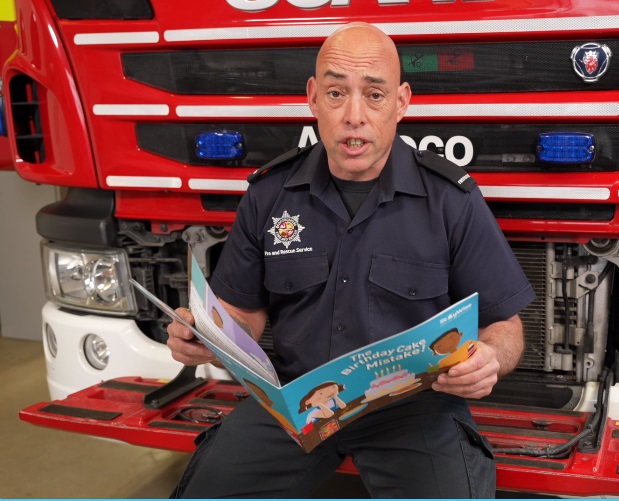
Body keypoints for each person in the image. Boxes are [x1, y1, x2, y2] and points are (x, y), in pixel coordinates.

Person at [166, 22, 535, 498]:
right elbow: (243, 312)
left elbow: (505, 326)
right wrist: (209, 336)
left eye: (374, 95)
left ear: (401, 102)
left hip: (413, 408)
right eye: (337, 93)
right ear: (313, 98)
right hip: (297, 402)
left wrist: (489, 360)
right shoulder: (269, 194)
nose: (353, 116)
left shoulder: (451, 200)